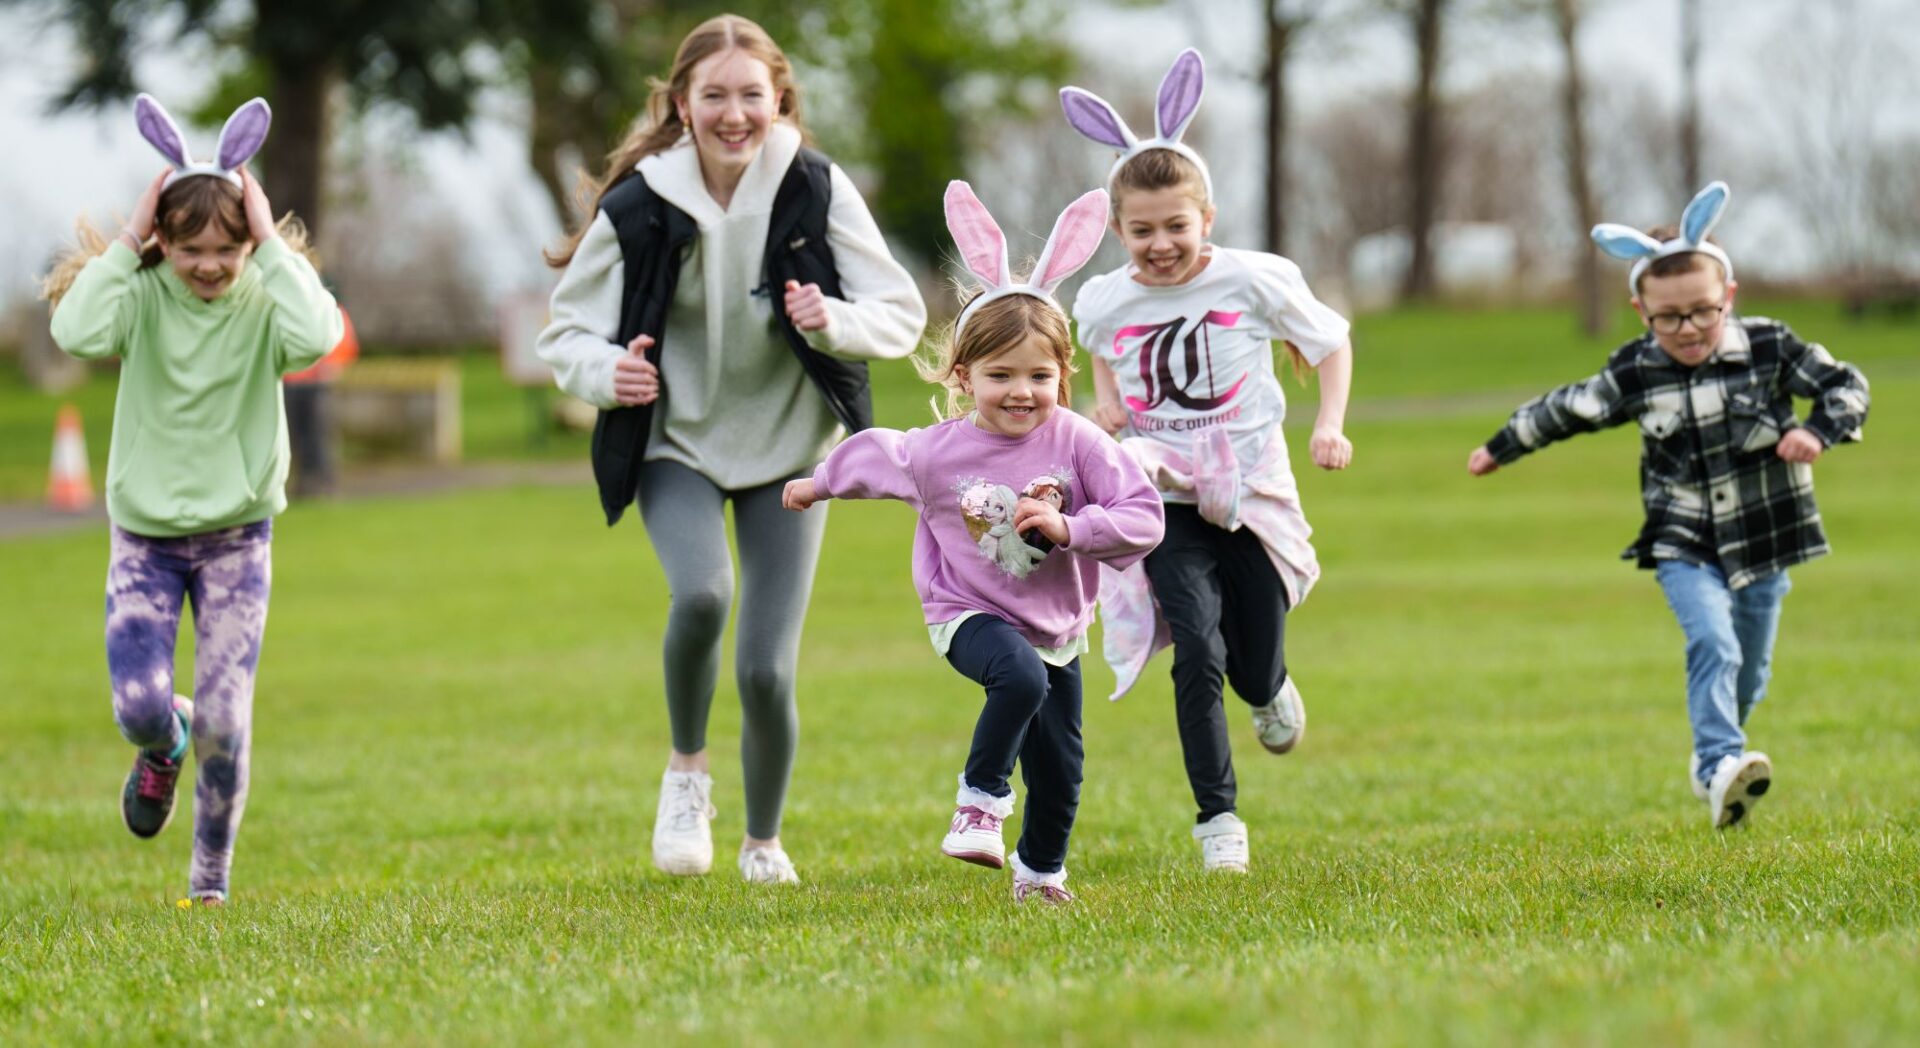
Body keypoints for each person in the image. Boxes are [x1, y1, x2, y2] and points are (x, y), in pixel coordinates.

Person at [537, 14, 926, 884]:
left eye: (752, 94)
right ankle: (685, 772)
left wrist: (837, 320)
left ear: (778, 99)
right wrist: (610, 374)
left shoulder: (815, 186)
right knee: (704, 593)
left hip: (790, 445)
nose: (734, 112)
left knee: (765, 670)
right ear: (682, 103)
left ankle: (762, 843)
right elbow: (564, 333)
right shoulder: (640, 202)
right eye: (714, 95)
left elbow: (899, 312)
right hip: (676, 439)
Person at [783, 182, 1163, 904]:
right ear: (964, 377)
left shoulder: (1080, 441)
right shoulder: (939, 453)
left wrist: (1072, 530)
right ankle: (978, 805)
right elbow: (874, 455)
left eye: (1040, 376)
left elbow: (1143, 518)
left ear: (1063, 375)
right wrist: (817, 483)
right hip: (966, 613)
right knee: (1016, 677)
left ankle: (1041, 874)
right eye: (1000, 376)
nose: (1021, 392)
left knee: (1062, 769)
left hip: (1058, 626)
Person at [1468, 182, 1870, 828]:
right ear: (1641, 310)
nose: (1688, 330)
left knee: (1750, 671)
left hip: (1766, 534)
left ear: (1728, 297)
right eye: (1669, 317)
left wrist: (1816, 431)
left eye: (1703, 312)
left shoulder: (1768, 346)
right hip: (1682, 538)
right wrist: (1502, 445)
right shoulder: (1637, 370)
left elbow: (1846, 384)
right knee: (1713, 641)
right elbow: (1570, 407)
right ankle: (1718, 767)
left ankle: (1720, 752)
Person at [43, 94, 342, 905]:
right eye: (190, 249)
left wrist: (272, 244)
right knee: (142, 708)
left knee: (227, 721)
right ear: (165, 241)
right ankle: (159, 747)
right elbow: (74, 332)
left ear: (248, 240)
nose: (209, 266)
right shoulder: (139, 297)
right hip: (144, 540)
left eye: (227, 249)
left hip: (237, 540)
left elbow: (319, 336)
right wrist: (132, 237)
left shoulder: (266, 300)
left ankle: (209, 881)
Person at [1061, 50, 1356, 872]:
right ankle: (1217, 821)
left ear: (1208, 217)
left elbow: (1329, 343)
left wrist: (1329, 424)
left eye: (1176, 226)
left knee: (1253, 660)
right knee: (1198, 647)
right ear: (1118, 230)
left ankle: (1269, 691)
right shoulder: (1103, 298)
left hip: (1252, 489)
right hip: (1162, 499)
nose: (1161, 245)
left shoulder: (1255, 281)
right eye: (1143, 230)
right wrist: (1109, 405)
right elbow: (1104, 355)